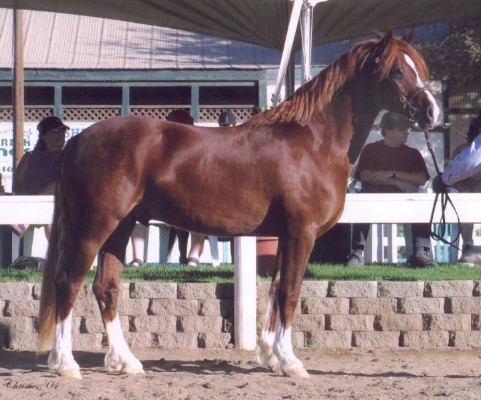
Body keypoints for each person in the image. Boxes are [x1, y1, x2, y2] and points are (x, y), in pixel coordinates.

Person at [346, 111, 437, 268]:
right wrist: (398, 183)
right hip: (372, 201)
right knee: (361, 203)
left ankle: (421, 252)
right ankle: (357, 253)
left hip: (405, 203)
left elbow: (422, 178)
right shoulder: (371, 149)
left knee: (421, 204)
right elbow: (366, 175)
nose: (406, 132)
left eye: (407, 128)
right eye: (402, 128)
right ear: (388, 130)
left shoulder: (413, 154)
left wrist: (392, 174)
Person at [185, 110, 237, 266]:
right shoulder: (212, 144)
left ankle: (238, 259)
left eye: (228, 126)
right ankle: (193, 257)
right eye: (223, 126)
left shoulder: (241, 145)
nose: (226, 129)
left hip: (235, 198)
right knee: (199, 209)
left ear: (234, 125)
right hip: (213, 196)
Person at [434, 112, 481, 266]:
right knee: (465, 197)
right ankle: (468, 244)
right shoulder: (463, 149)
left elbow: (467, 165)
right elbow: (458, 173)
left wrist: (444, 179)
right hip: (467, 191)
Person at [13, 115, 68, 240]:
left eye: (63, 131)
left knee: (52, 210)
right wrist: (32, 201)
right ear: (43, 136)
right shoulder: (29, 157)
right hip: (28, 205)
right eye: (55, 132)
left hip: (58, 208)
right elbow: (17, 185)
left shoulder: (69, 158)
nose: (61, 135)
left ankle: (54, 255)